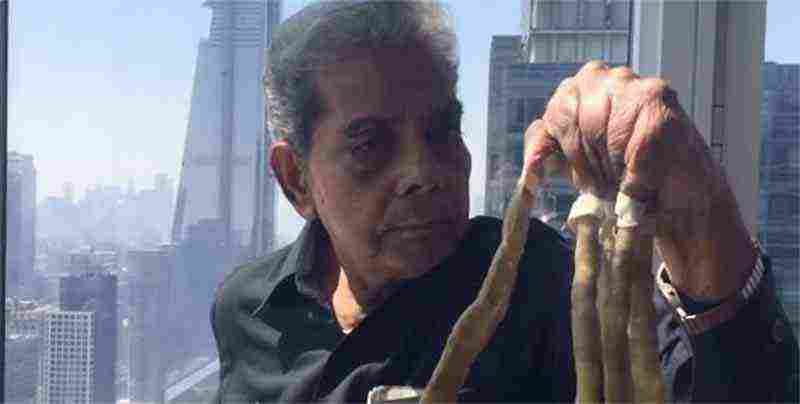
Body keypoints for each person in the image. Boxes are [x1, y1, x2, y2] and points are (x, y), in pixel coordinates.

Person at [210, 1, 798, 402]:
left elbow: (736, 387)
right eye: (370, 144)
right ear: (295, 180)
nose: (423, 172)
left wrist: (700, 208)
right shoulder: (249, 310)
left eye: (442, 130)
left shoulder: (542, 284)